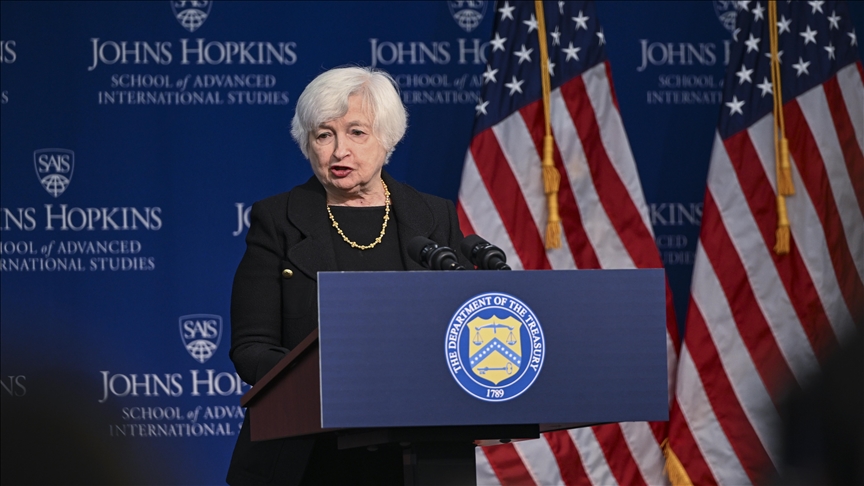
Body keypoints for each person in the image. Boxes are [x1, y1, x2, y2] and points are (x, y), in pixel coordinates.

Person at [226, 66, 471, 485]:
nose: (340, 150)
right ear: (308, 144)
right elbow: (251, 348)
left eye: (356, 132)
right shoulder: (278, 220)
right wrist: (333, 382)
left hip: (423, 452)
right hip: (307, 454)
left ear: (386, 138)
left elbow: (460, 332)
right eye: (324, 135)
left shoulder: (433, 215)